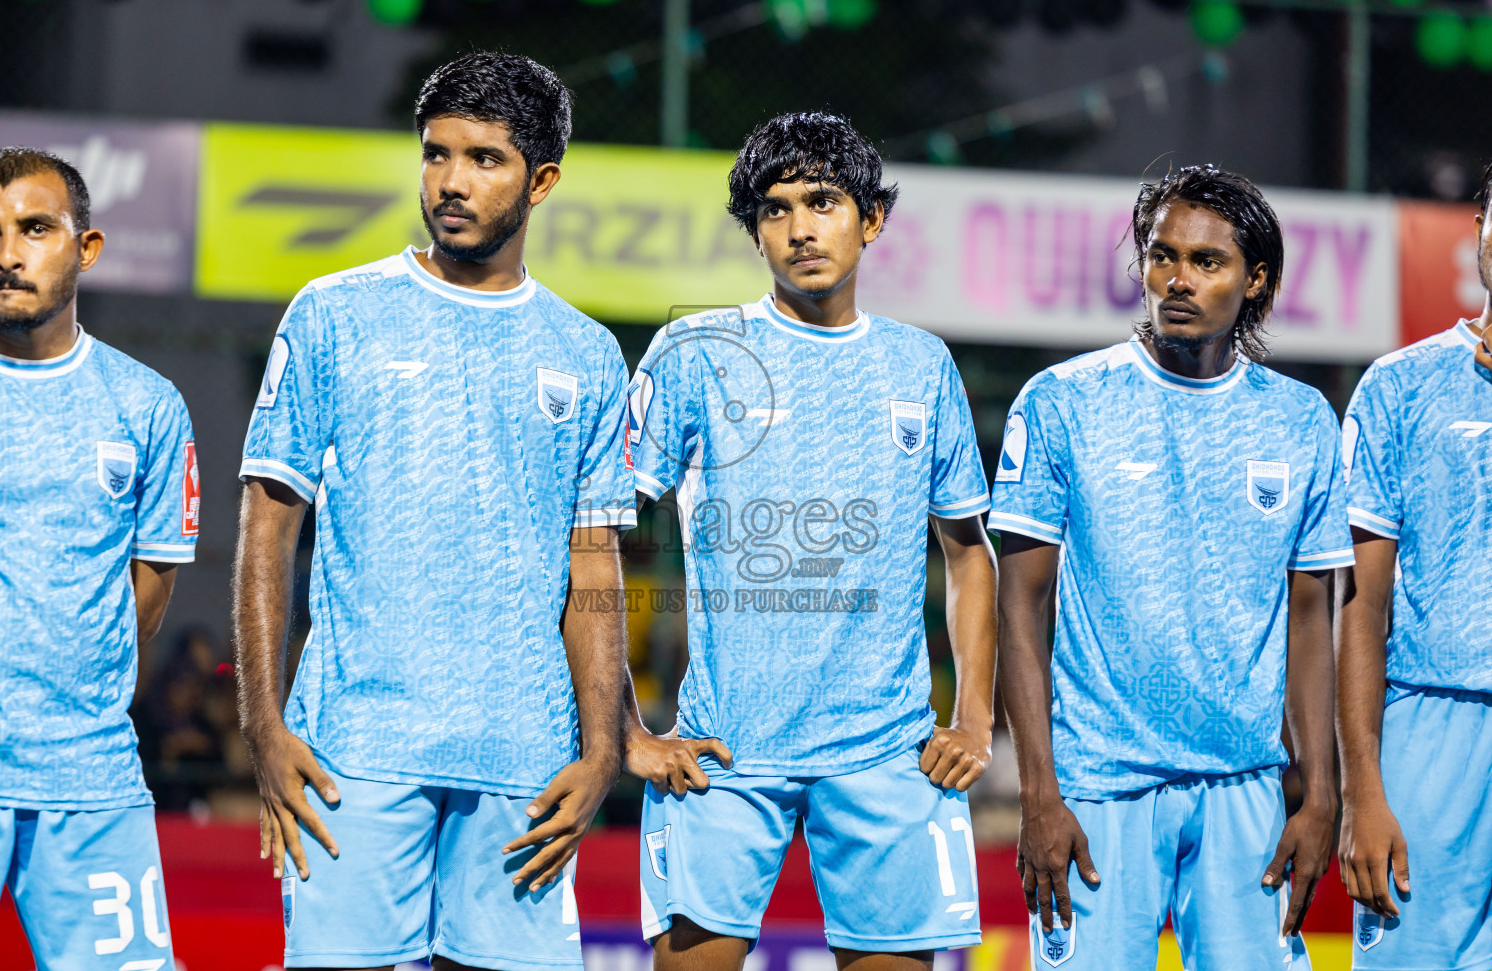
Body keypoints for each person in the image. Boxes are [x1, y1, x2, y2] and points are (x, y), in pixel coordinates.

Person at [232, 52, 633, 971]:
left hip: (524, 757)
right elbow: (266, 528)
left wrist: (603, 748)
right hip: (354, 749)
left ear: (542, 181)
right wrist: (263, 725)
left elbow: (595, 563)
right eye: (436, 154)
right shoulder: (334, 313)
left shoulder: (588, 352)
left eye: (484, 159)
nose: (451, 182)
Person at [624, 112, 997, 970]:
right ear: (754, 231)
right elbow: (603, 533)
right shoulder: (695, 352)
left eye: (822, 202)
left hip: (889, 756)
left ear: (870, 218)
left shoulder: (922, 366)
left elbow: (969, 552)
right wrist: (626, 728)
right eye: (775, 208)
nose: (799, 228)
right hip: (723, 752)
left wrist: (975, 716)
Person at [992, 165, 1347, 969]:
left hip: (1245, 792)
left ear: (1256, 281)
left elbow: (1311, 618)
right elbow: (1020, 605)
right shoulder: (1062, 402)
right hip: (1096, 792)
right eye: (1162, 256)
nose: (1177, 279)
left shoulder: (1301, 422)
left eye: (1207, 262)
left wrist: (1320, 794)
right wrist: (1039, 793)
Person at [0, 148, 196, 971]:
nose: (8, 254)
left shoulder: (148, 405)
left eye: (35, 229)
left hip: (90, 782)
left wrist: (74, 700)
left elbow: (150, 590)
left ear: (85, 248)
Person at [1336, 165, 1492, 970]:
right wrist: (1363, 788)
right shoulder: (1399, 387)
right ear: (1480, 234)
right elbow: (1360, 608)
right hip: (1434, 730)